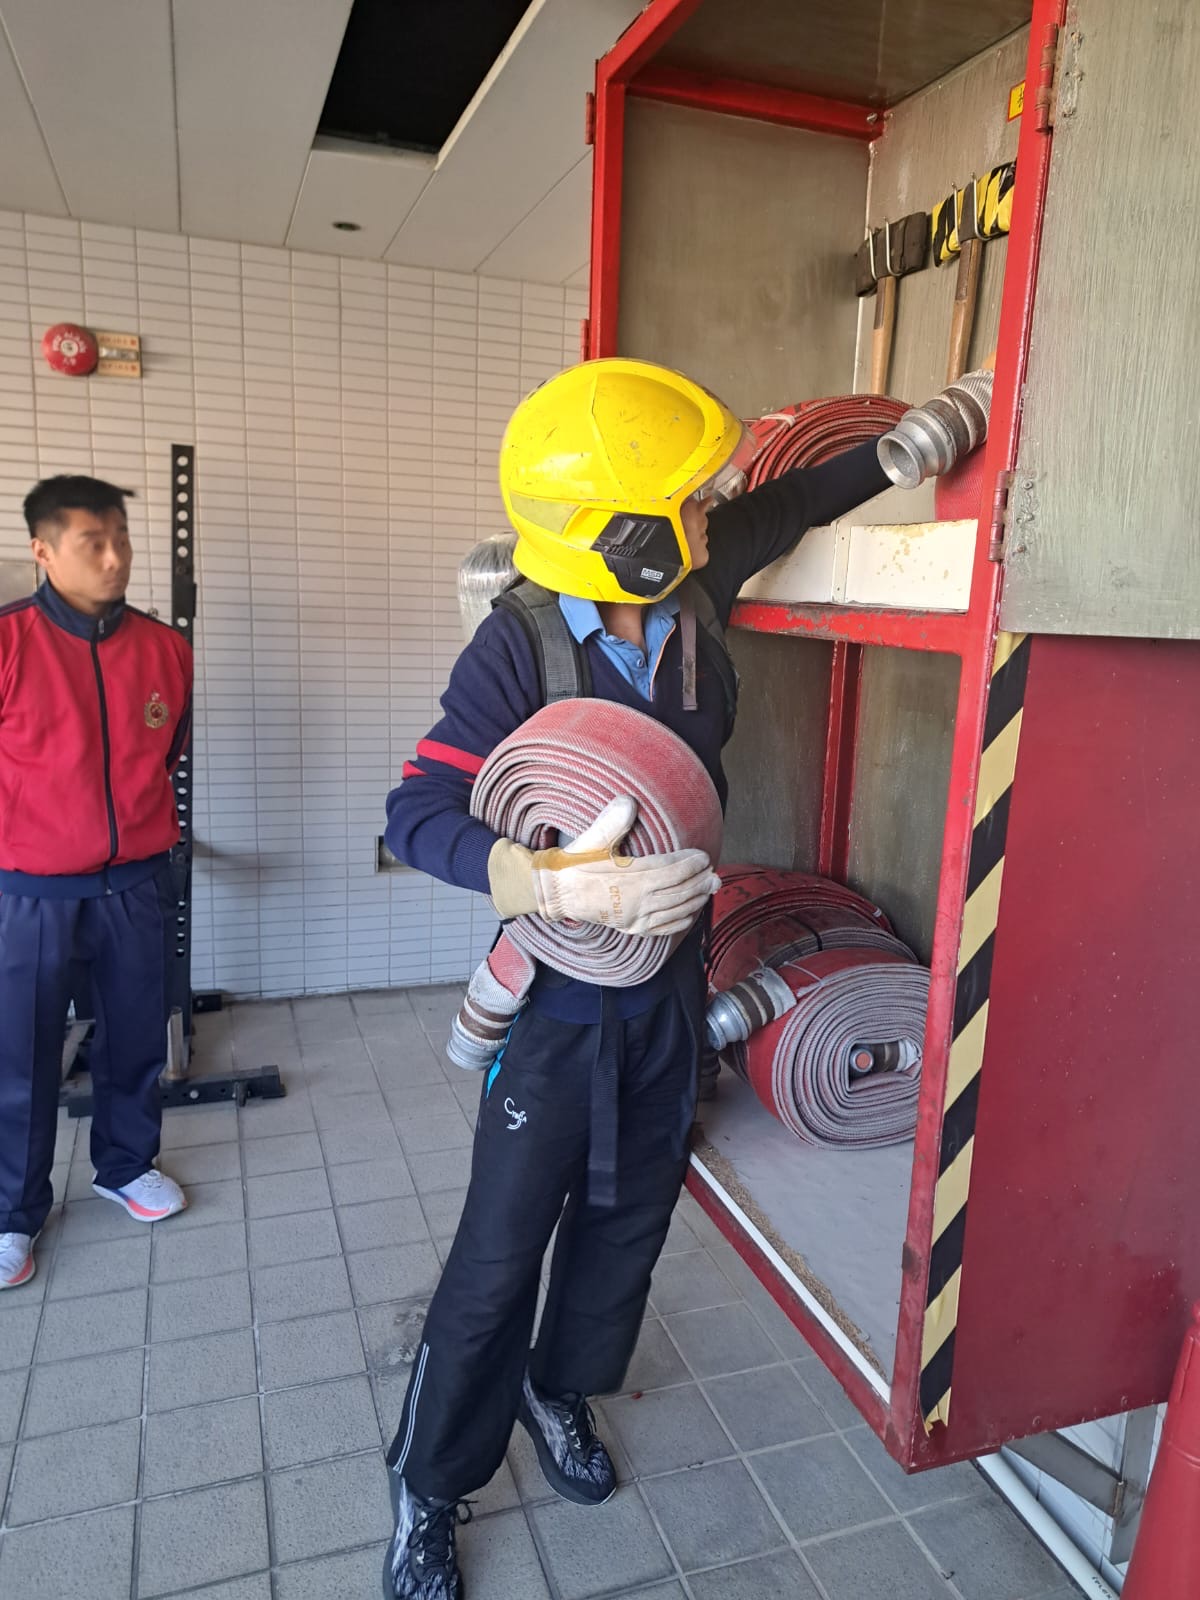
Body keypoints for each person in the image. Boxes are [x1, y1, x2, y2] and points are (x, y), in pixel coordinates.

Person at [380, 358, 893, 1599]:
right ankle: (430, 1483)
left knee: (625, 1224)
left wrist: (907, 445)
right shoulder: (517, 647)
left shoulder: (693, 592)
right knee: (500, 1250)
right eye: (689, 498)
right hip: (559, 1001)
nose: (712, 508)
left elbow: (793, 502)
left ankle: (559, 1392)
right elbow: (415, 812)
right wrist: (548, 883)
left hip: (670, 985)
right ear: (627, 537)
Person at [0, 477, 193, 1290]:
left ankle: (125, 1164)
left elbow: (165, 753)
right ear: (43, 551)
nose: (116, 558)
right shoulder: (9, 642)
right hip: (28, 892)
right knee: (20, 1052)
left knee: (135, 1035)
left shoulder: (165, 649)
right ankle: (13, 1212)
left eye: (122, 539)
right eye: (93, 542)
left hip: (134, 883)